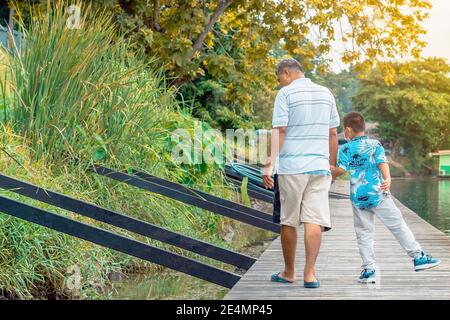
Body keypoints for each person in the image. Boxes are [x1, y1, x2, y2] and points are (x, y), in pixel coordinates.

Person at [331, 111, 441, 283]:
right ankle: (418, 257)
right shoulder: (374, 144)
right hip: (378, 192)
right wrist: (388, 178)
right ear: (363, 127)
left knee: (364, 233)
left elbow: (341, 171)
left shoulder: (344, 148)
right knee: (397, 224)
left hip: (358, 196)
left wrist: (328, 168)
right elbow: (382, 162)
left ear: (348, 130)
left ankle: (369, 270)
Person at [262, 58, 339, 288]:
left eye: (279, 79)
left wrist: (268, 163)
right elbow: (333, 134)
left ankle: (288, 272)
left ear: (286, 73)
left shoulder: (285, 94)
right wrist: (332, 166)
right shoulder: (326, 93)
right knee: (314, 220)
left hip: (292, 168)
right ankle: (310, 275)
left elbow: (281, 130)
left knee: (289, 220)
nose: (280, 84)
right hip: (319, 167)